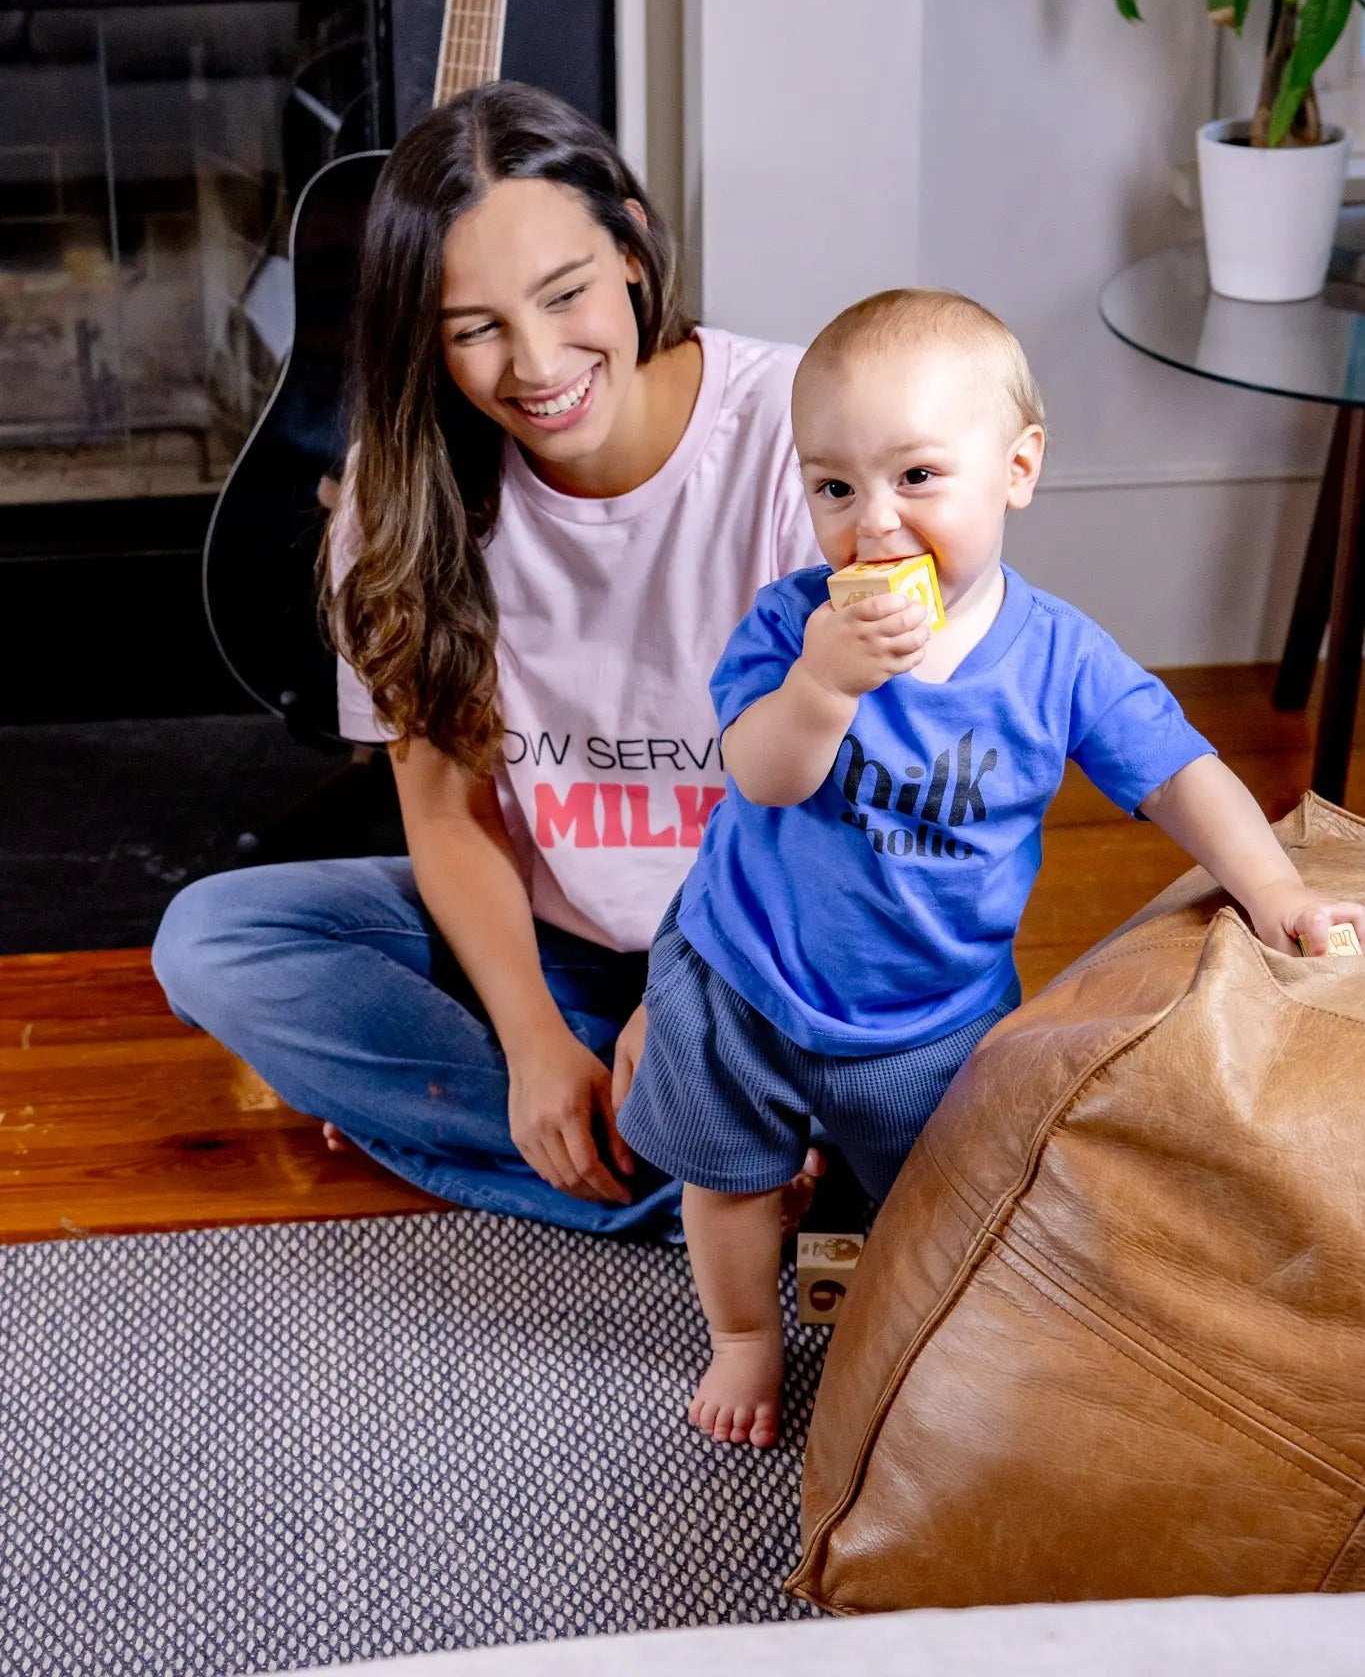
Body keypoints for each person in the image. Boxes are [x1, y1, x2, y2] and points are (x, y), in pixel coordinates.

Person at [617, 286, 1365, 1447]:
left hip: (930, 1015)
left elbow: (1178, 769)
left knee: (936, 1203)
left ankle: (858, 1233)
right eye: (835, 487)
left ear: (1017, 468)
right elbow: (760, 773)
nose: (875, 523)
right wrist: (822, 684)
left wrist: (1273, 886)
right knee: (726, 1181)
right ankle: (744, 1334)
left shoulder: (1058, 657)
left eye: (918, 478)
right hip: (743, 974)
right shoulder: (793, 624)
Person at [152, 81, 823, 1238]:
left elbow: (865, 807)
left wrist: (700, 987)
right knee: (213, 942)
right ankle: (715, 1186)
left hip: (771, 942)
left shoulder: (803, 433)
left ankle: (500, 1137)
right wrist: (529, 1041)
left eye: (565, 295)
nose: (536, 362)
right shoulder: (402, 491)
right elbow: (449, 811)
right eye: (474, 329)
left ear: (632, 245)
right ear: (427, 333)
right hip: (560, 942)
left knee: (891, 1049)